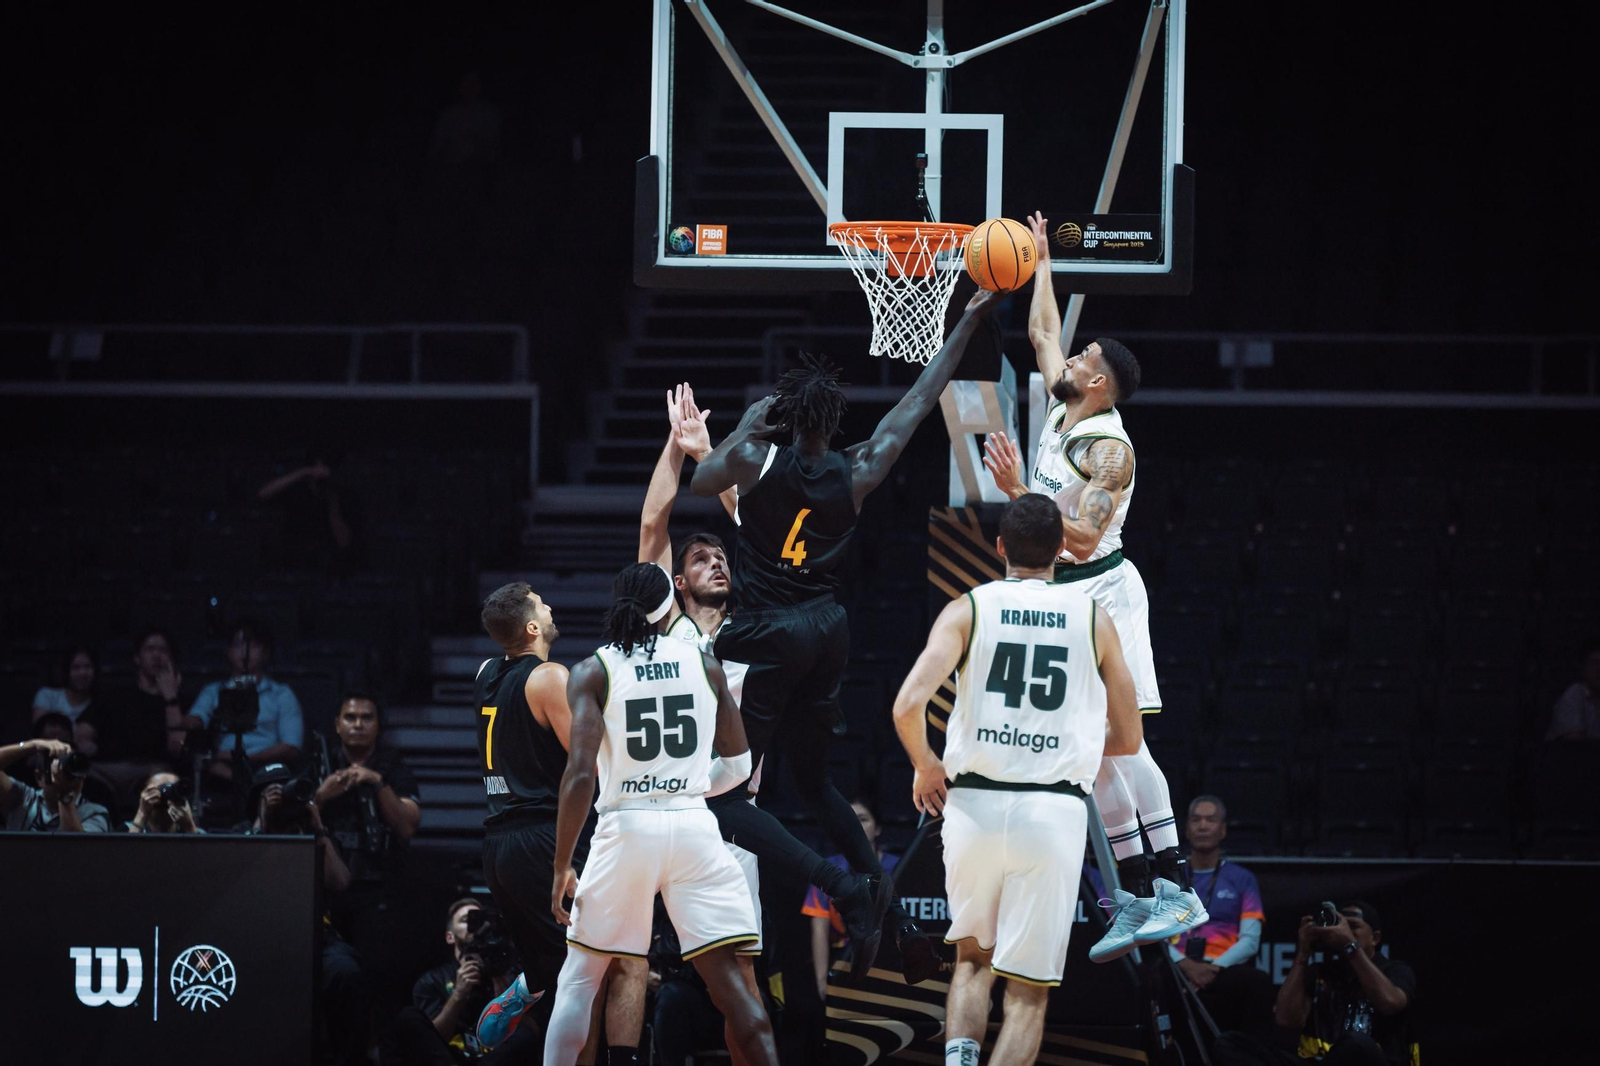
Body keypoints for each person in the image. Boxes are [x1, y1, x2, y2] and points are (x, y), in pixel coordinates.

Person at [689, 288, 1004, 980]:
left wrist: (750, 419)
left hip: (767, 632)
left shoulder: (754, 460)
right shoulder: (859, 470)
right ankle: (893, 924)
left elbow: (703, 471)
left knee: (726, 797)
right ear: (832, 422)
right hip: (829, 631)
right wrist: (972, 318)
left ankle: (844, 888)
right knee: (812, 785)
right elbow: (922, 397)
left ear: (786, 417)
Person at [651, 382, 936, 984]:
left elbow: (765, 508)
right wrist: (694, 451)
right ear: (678, 583)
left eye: (719, 555)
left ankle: (864, 903)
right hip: (683, 822)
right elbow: (682, 515)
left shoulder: (747, 615)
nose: (717, 561)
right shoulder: (673, 627)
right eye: (700, 560)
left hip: (734, 818)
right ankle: (896, 921)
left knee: (743, 991)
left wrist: (715, 450)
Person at [982, 212, 1204, 960]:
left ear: (1100, 379)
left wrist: (1018, 493)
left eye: (1085, 353)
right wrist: (1042, 260)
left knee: (1124, 739)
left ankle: (1180, 889)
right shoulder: (1062, 407)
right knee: (1091, 753)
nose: (1069, 353)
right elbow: (1044, 333)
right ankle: (1138, 898)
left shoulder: (1109, 450)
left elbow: (1075, 537)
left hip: (1106, 595)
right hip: (1069, 602)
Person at [890, 493, 1143, 1066]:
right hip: (1051, 812)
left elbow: (907, 704)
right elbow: (1128, 738)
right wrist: (1069, 741)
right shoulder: (1092, 618)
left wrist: (926, 765)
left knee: (972, 959)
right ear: (1061, 550)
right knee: (1028, 997)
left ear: (1000, 547)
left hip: (973, 805)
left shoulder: (967, 608)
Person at [544, 562, 777, 1066]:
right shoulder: (703, 661)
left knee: (580, 979)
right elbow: (738, 764)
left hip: (626, 826)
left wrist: (563, 863)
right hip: (695, 829)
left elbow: (580, 776)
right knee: (734, 988)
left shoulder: (594, 669)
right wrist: (689, 790)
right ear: (668, 607)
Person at [471, 582, 648, 1064]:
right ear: (532, 627)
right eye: (541, 605)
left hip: (498, 844)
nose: (550, 608)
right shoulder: (548, 676)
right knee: (589, 974)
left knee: (565, 968)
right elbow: (588, 760)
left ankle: (530, 981)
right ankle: (535, 984)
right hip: (542, 839)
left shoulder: (486, 672)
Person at [249, 761, 367, 1066]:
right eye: (275, 792)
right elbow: (246, 879)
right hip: (261, 938)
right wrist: (264, 821)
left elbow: (340, 882)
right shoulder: (245, 837)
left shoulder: (315, 836)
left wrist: (317, 826)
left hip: (317, 936)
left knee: (346, 972)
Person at [316, 692, 423, 1017]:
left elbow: (407, 827)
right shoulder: (321, 761)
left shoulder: (393, 767)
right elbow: (293, 820)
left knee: (377, 980)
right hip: (328, 891)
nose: (358, 724)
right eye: (350, 718)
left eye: (367, 718)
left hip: (380, 891)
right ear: (337, 725)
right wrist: (321, 796)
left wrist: (377, 783)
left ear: (378, 726)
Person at [1213, 902, 1418, 1066]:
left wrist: (1349, 946)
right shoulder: (1320, 971)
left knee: (1356, 1044)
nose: (1346, 931)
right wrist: (1303, 953)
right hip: (1319, 1061)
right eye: (1342, 925)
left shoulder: (1395, 970)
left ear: (1375, 938)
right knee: (1230, 1043)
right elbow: (1286, 1019)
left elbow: (1390, 1003)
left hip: (1371, 1060)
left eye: (1353, 926)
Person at [1170, 796, 1275, 1035]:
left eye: (1211, 819)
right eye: (1196, 820)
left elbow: (1250, 941)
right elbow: (1153, 935)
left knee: (1258, 983)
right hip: (1178, 968)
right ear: (1186, 830)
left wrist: (1212, 969)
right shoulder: (1169, 880)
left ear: (1223, 830)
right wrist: (1186, 966)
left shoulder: (1242, 879)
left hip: (1222, 969)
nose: (1203, 826)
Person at [390, 898, 538, 1065]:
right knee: (408, 1017)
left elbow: (530, 1034)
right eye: (467, 920)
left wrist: (507, 1004)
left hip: (495, 1059)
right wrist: (458, 995)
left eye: (481, 920)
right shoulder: (432, 980)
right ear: (449, 937)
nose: (477, 927)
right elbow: (430, 1040)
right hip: (450, 1059)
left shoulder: (504, 972)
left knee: (525, 1033)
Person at [802, 795, 903, 998]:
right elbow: (819, 929)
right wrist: (822, 981)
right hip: (843, 959)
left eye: (863, 819)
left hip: (891, 960)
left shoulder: (901, 868)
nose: (856, 825)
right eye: (849, 819)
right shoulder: (826, 869)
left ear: (878, 828)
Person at [77, 629, 184, 811]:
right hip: (108, 768)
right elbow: (83, 730)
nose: (156, 655)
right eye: (150, 649)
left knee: (165, 782)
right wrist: (85, 743)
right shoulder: (116, 694)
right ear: (137, 658)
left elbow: (178, 746)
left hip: (153, 769)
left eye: (163, 650)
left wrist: (170, 697)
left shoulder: (179, 701)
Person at [185, 621, 304, 781]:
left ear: (266, 652)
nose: (245, 652)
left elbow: (291, 747)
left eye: (253, 645)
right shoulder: (213, 692)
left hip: (266, 768)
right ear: (228, 651)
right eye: (238, 644)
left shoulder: (282, 694)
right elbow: (195, 722)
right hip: (222, 770)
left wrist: (244, 757)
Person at [0, 717, 111, 832]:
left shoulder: (94, 813)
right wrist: (31, 746)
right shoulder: (24, 800)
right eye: (55, 761)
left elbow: (76, 847)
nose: (63, 769)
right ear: (39, 777)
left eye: (70, 763)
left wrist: (65, 797)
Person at [257, 455, 362, 572]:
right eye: (316, 469)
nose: (319, 474)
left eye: (324, 469)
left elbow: (344, 543)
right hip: (294, 557)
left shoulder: (342, 496)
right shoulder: (297, 491)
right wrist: (302, 473)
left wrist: (333, 502)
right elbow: (263, 494)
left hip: (328, 562)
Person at [32, 644, 98, 728]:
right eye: (76, 667)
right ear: (67, 672)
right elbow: (40, 731)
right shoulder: (47, 696)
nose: (82, 673)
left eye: (87, 667)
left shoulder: (100, 705)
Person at [1545, 643, 1600, 740]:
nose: (1599, 669)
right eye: (1594, 663)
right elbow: (1574, 745)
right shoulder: (1574, 694)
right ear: (1583, 667)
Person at [126, 770, 202, 834]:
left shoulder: (198, 833)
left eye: (172, 788)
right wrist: (141, 813)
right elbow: (127, 850)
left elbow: (200, 851)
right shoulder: (127, 829)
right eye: (161, 788)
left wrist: (189, 826)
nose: (167, 793)